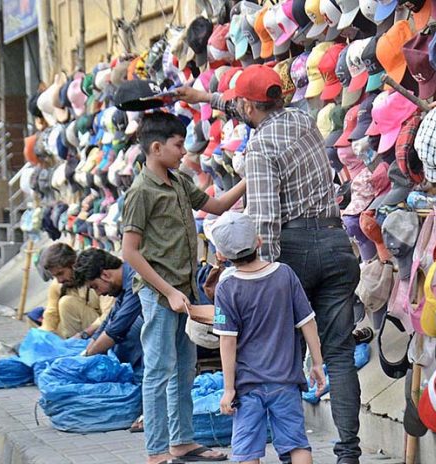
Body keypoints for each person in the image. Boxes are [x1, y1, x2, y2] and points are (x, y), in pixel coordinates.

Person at [176, 65, 362, 464]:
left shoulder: (259, 149)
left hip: (293, 249)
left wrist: (263, 275)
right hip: (335, 241)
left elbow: (264, 219)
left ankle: (286, 447)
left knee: (281, 357)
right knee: (340, 355)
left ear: (248, 104)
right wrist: (206, 98)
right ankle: (348, 454)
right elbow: (243, 103)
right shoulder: (302, 117)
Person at [121, 111, 246, 464]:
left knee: (184, 367)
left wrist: (248, 179)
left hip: (184, 291)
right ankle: (157, 452)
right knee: (159, 370)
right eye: (178, 145)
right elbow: (130, 252)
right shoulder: (141, 191)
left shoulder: (177, 182)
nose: (183, 151)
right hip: (160, 293)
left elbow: (217, 205)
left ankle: (182, 442)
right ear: (157, 147)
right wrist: (169, 292)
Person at [211, 211, 325, 464]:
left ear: (221, 255)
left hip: (247, 386)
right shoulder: (284, 274)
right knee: (297, 445)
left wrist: (228, 389)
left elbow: (227, 341)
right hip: (286, 381)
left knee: (248, 451)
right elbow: (308, 322)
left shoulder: (226, 287)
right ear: (259, 241)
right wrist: (317, 363)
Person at [72, 248, 144, 382]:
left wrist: (87, 359)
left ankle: (139, 379)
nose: (98, 294)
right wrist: (86, 353)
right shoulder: (124, 284)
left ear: (105, 275)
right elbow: (109, 320)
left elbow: (117, 329)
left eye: (95, 287)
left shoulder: (135, 277)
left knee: (133, 329)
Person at [39, 243, 114, 339]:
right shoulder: (58, 285)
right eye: (55, 276)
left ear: (73, 264)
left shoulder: (95, 275)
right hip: (82, 332)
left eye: (61, 273)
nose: (60, 280)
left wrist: (84, 334)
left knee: (66, 303)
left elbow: (110, 314)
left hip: (103, 327)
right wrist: (43, 336)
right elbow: (51, 314)